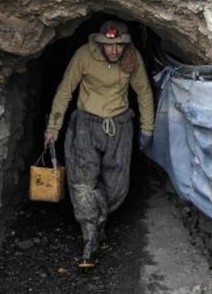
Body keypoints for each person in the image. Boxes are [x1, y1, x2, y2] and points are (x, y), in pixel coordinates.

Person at [44, 20, 155, 268]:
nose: (114, 51)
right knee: (83, 182)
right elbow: (65, 90)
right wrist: (54, 126)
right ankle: (90, 238)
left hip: (120, 126)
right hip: (85, 125)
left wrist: (147, 129)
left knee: (117, 187)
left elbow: (144, 92)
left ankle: (98, 222)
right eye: (109, 45)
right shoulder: (83, 55)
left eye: (119, 46)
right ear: (100, 43)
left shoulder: (131, 57)